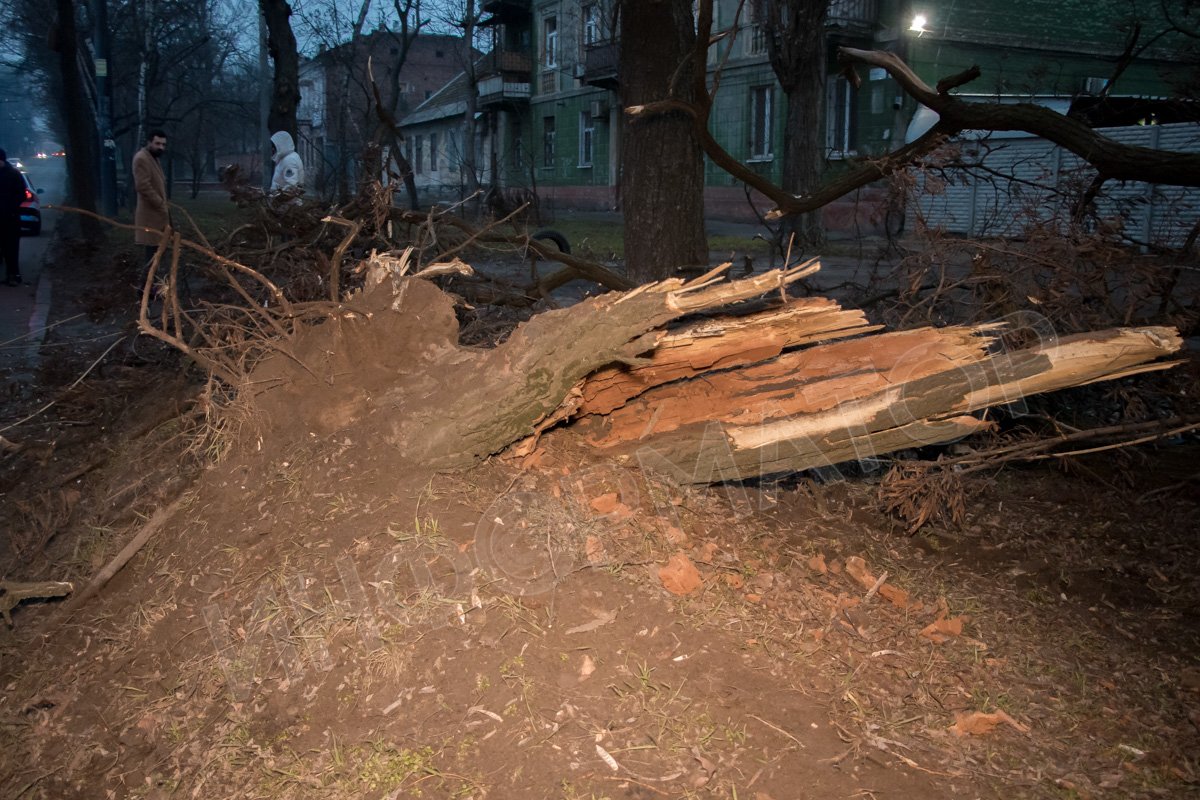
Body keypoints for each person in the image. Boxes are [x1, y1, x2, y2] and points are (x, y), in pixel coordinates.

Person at [132, 129, 169, 265]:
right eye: (157, 143)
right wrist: (160, 203)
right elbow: (143, 186)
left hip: (158, 215)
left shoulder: (153, 158)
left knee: (157, 253)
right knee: (152, 255)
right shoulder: (142, 158)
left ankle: (154, 283)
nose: (161, 147)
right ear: (149, 142)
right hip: (150, 216)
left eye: (163, 144)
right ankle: (148, 285)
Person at [0, 148, 25, 287]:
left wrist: (10, 208)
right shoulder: (13, 174)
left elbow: (20, 194)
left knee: (11, 249)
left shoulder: (13, 175)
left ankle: (13, 275)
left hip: (10, 218)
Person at [269, 131, 304, 196]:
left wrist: (276, 198)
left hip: (288, 204)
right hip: (283, 204)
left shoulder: (289, 160)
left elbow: (291, 187)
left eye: (274, 146)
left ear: (281, 145)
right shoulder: (284, 159)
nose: (272, 149)